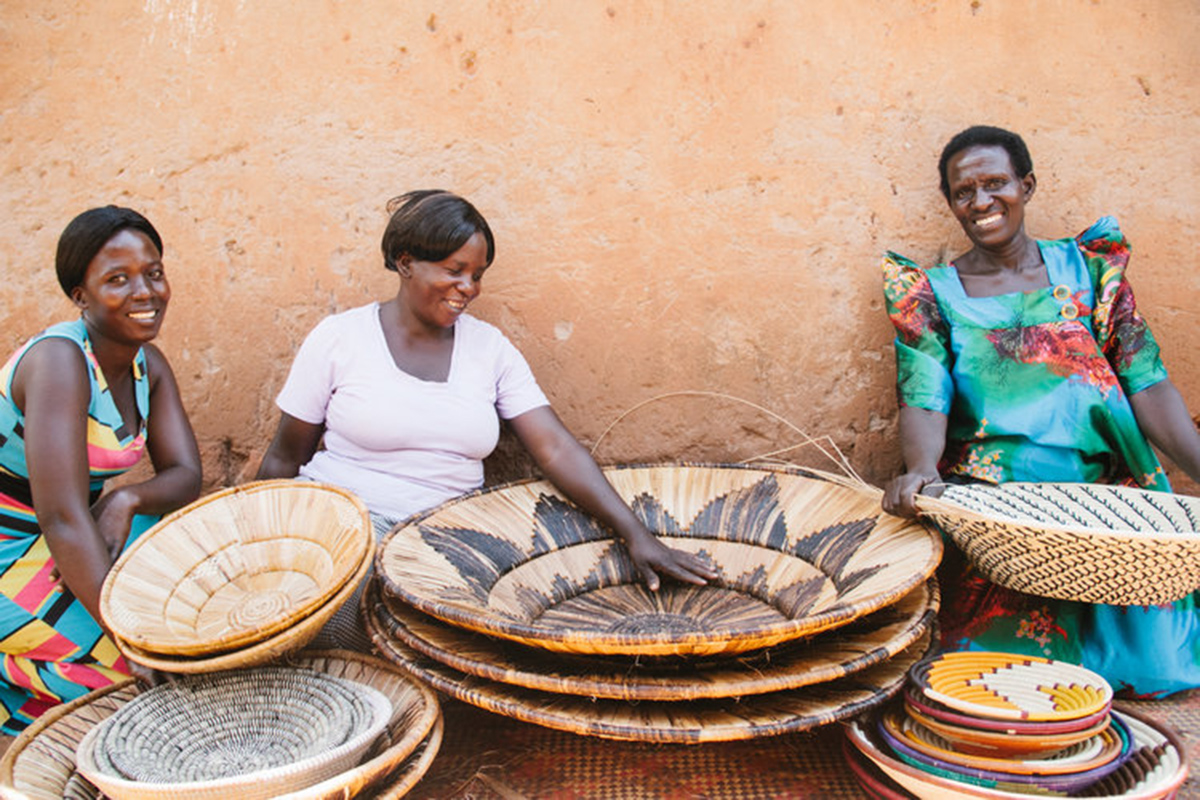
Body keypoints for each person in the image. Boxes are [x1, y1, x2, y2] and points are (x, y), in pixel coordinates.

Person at [257, 190, 716, 649]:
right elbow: (285, 456)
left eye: (477, 275)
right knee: (343, 612)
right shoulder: (339, 339)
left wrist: (637, 535)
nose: (468, 288)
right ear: (405, 262)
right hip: (341, 527)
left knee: (485, 618)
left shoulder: (489, 349)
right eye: (454, 271)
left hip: (440, 538)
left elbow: (554, 447)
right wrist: (255, 550)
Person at [880, 125, 1200, 698]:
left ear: (1026, 185)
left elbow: (1147, 384)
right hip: (1003, 518)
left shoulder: (1092, 272)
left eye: (995, 183)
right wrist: (921, 468)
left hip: (1111, 507)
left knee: (1159, 667)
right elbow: (923, 395)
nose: (980, 202)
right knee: (999, 680)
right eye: (963, 192)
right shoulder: (931, 295)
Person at [0, 206, 202, 734]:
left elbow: (185, 475)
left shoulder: (146, 365)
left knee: (193, 603)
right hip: (12, 544)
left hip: (68, 528)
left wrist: (126, 498)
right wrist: (127, 634)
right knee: (136, 668)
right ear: (80, 295)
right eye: (117, 280)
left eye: (153, 273)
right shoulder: (60, 362)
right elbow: (62, 517)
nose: (145, 292)